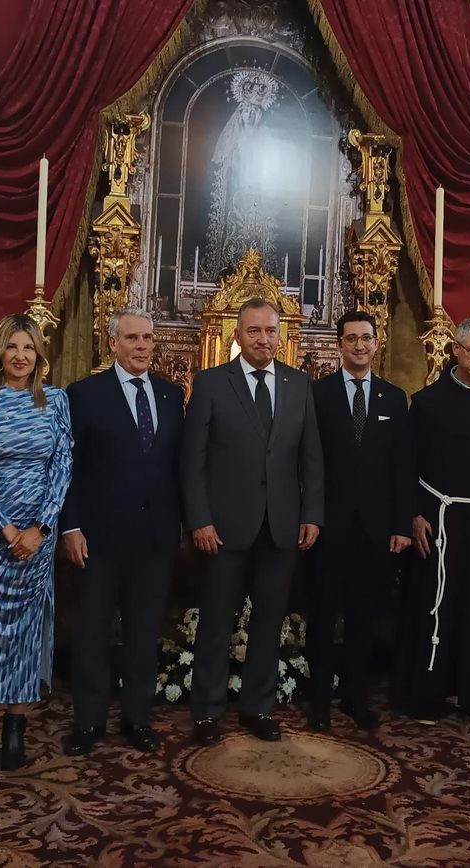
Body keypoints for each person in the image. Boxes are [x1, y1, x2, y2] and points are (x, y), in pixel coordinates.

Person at [182, 298, 323, 746]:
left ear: (279, 335)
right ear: (238, 335)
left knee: (269, 621)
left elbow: (311, 458)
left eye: (270, 331)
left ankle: (257, 708)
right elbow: (192, 461)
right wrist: (199, 519)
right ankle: (207, 712)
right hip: (223, 529)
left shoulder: (299, 384)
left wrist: (312, 514)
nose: (263, 339)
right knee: (216, 621)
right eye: (254, 331)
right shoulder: (210, 383)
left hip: (281, 525)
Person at [61, 309, 185, 756]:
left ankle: (137, 718)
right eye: (132, 338)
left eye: (148, 338)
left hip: (155, 538)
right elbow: (68, 467)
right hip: (99, 537)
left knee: (144, 634)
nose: (142, 346)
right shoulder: (85, 394)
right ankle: (89, 721)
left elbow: (177, 466)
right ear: (113, 343)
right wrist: (71, 525)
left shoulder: (171, 395)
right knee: (93, 633)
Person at [0, 314, 72, 773]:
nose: (21, 356)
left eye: (29, 348)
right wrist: (4, 528)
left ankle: (16, 726)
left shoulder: (56, 400)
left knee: (25, 628)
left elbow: (62, 465)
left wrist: (40, 527)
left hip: (38, 533)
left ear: (40, 355)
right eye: (12, 347)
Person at [392, 317, 470, 725]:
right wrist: (413, 514)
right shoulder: (427, 403)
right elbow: (406, 464)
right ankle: (426, 694)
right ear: (456, 351)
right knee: (432, 604)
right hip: (436, 520)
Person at [305, 311, 414, 732]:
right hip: (327, 528)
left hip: (376, 530)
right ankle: (319, 701)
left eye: (366, 338)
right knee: (322, 615)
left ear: (376, 343)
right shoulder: (317, 394)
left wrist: (401, 525)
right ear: (339, 345)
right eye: (351, 338)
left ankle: (356, 697)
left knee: (363, 618)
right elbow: (307, 461)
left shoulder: (394, 398)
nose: (359, 345)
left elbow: (402, 467)